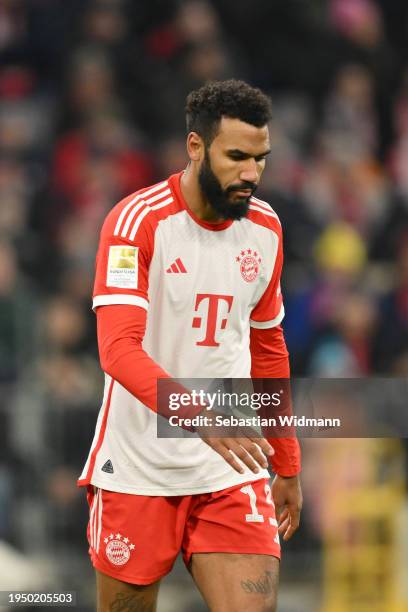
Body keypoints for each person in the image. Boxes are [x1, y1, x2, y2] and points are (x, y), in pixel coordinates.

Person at [78, 79, 302, 612]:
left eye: (261, 159)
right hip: (140, 466)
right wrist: (203, 416)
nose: (251, 173)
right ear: (196, 147)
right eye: (237, 157)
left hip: (231, 465)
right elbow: (119, 350)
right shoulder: (136, 223)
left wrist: (287, 461)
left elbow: (268, 347)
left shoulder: (266, 228)